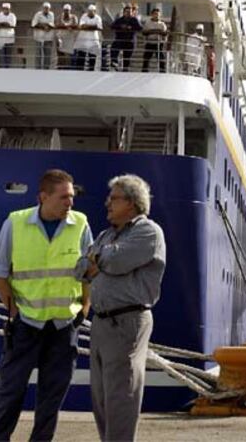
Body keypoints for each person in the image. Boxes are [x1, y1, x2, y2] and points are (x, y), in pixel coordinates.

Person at [0, 169, 93, 442]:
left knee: (52, 398)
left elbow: (89, 270)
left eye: (72, 197)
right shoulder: (15, 223)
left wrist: (86, 305)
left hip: (63, 327)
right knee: (10, 393)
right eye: (64, 197)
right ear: (43, 197)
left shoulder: (80, 224)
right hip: (25, 326)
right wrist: (14, 313)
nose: (70, 203)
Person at [75, 174, 166, 442]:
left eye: (113, 198)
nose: (107, 204)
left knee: (121, 395)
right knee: (101, 397)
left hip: (127, 321)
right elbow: (80, 269)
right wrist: (100, 259)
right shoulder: (106, 235)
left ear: (132, 202)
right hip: (102, 323)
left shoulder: (148, 231)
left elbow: (116, 262)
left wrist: (99, 259)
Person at [110, 4, 142, 71]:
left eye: (129, 12)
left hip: (130, 41)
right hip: (120, 40)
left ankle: (125, 70)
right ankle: (114, 61)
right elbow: (112, 26)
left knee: (127, 58)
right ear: (124, 12)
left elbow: (140, 28)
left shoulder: (134, 20)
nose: (128, 13)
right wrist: (120, 26)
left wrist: (131, 27)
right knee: (114, 47)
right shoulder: (119, 20)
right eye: (127, 12)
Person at [74, 4, 103, 71]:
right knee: (80, 59)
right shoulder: (84, 16)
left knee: (92, 60)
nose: (89, 13)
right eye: (89, 11)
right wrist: (93, 27)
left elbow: (99, 27)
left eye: (91, 11)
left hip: (93, 42)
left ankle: (90, 74)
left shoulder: (98, 18)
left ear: (94, 11)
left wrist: (87, 26)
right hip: (83, 41)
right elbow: (81, 26)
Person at [141, 7, 168, 72]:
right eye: (155, 14)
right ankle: (144, 72)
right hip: (149, 42)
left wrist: (160, 32)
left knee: (161, 58)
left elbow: (165, 33)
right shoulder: (147, 23)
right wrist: (151, 31)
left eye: (158, 14)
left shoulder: (162, 24)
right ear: (152, 14)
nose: (157, 15)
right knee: (146, 58)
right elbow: (144, 32)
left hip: (158, 43)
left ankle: (162, 72)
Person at [0, 2, 17, 68]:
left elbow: (12, 25)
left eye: (7, 9)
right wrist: (4, 24)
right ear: (2, 9)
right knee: (1, 56)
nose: (5, 10)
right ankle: (1, 70)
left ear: (9, 9)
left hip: (9, 39)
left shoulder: (12, 16)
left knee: (8, 56)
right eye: (4, 8)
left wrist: (1, 24)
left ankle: (7, 70)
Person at [31, 2, 56, 69]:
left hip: (48, 38)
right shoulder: (38, 14)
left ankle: (46, 69)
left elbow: (51, 24)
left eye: (47, 8)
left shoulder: (51, 14)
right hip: (38, 37)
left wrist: (46, 26)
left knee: (48, 55)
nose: (46, 9)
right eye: (45, 8)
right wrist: (43, 26)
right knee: (38, 55)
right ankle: (37, 69)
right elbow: (34, 24)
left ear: (49, 9)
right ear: (43, 8)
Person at [56, 4, 78, 69]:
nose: (66, 12)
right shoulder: (60, 17)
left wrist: (69, 28)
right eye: (65, 10)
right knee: (61, 55)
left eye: (67, 10)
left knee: (68, 56)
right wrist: (65, 26)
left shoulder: (74, 17)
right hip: (61, 38)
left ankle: (67, 69)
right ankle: (60, 68)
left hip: (70, 39)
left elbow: (76, 26)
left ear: (70, 11)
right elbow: (57, 25)